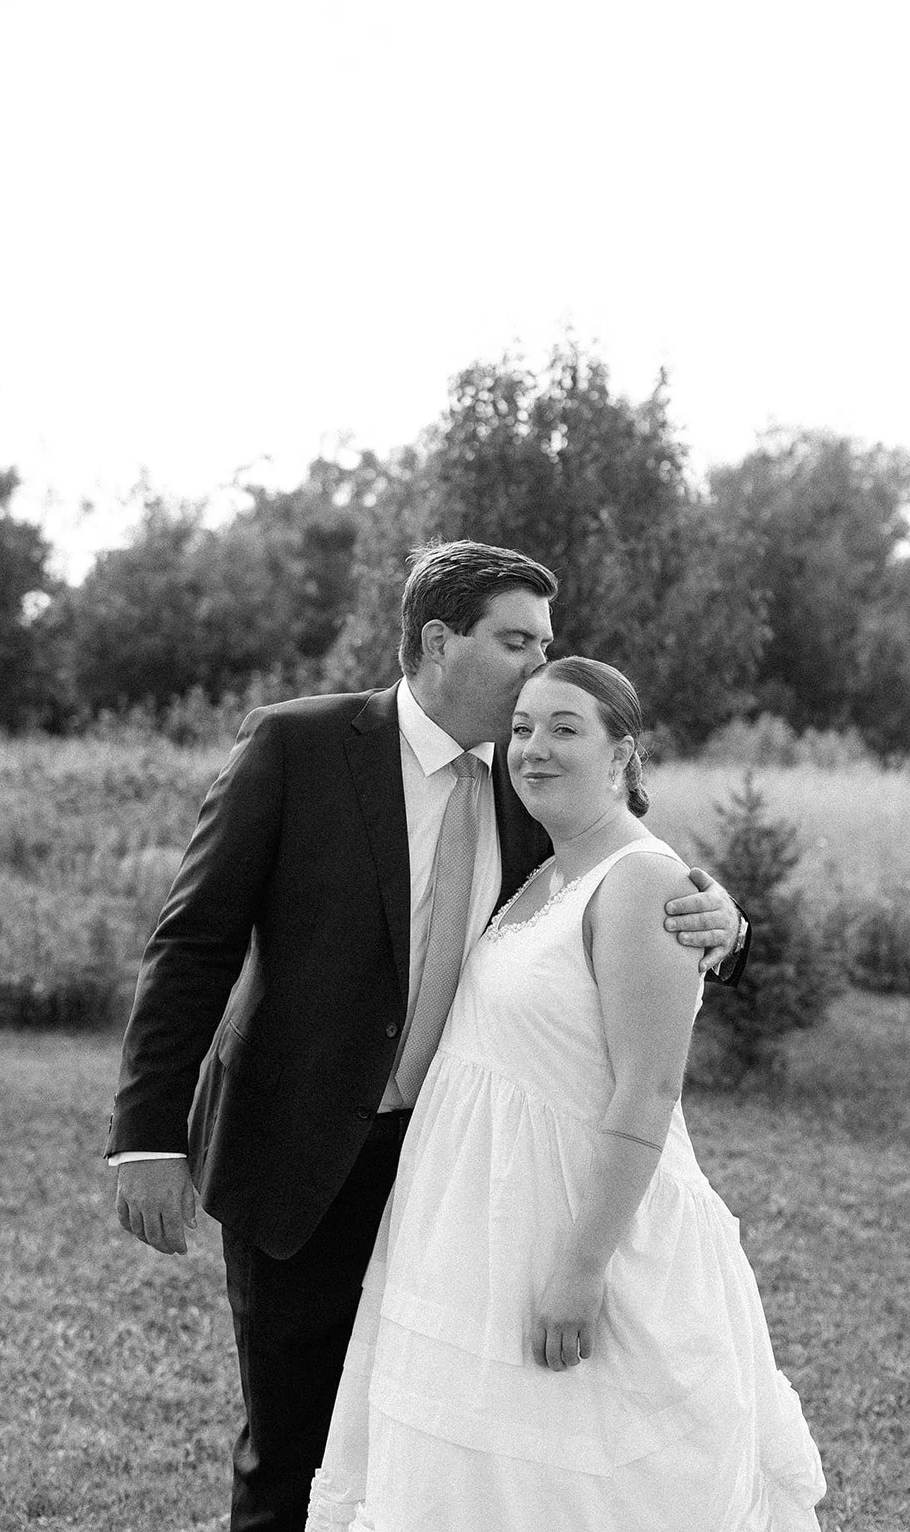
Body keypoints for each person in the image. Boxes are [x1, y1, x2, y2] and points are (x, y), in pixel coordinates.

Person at [106, 541, 750, 1532]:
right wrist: (149, 1135)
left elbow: (630, 863)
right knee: (290, 1447)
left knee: (413, 1443)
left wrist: (725, 921)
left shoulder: (529, 776)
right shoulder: (297, 746)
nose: (536, 667)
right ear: (439, 640)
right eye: (515, 641)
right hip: (297, 1154)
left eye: (546, 645)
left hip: (458, 1183)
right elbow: (193, 941)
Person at [306, 655, 825, 1532]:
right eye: (520, 728)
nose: (532, 749)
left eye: (564, 728)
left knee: (583, 1488)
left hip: (582, 1236)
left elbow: (648, 1090)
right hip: (483, 1228)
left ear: (624, 754)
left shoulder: (642, 882)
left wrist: (579, 1270)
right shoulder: (542, 865)